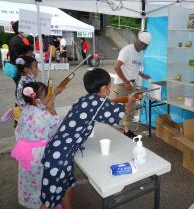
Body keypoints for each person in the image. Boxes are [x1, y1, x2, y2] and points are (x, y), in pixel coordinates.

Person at [40, 68, 135, 209]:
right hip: (60, 157)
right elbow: (122, 112)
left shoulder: (86, 99)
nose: (110, 88)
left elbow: (108, 107)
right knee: (48, 202)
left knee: (66, 188)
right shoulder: (98, 103)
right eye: (109, 85)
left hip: (58, 152)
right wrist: (131, 100)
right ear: (104, 88)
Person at [11, 82, 61, 209]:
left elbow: (18, 131)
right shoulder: (45, 115)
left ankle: (29, 204)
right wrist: (52, 109)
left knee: (28, 183)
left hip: (24, 152)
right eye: (46, 96)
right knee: (41, 185)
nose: (48, 98)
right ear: (38, 100)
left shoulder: (25, 111)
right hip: (38, 157)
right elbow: (59, 127)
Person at [111, 31, 152, 137]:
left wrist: (143, 75)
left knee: (131, 107)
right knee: (117, 108)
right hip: (121, 83)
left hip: (131, 83)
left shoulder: (141, 53)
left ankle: (126, 130)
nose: (145, 48)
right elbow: (116, 67)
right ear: (140, 42)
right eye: (145, 46)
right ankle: (113, 128)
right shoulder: (126, 50)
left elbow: (134, 68)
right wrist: (125, 82)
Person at [8, 20, 31, 86]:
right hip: (20, 69)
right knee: (22, 87)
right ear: (19, 30)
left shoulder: (13, 39)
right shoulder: (18, 41)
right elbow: (22, 56)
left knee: (19, 86)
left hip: (16, 67)